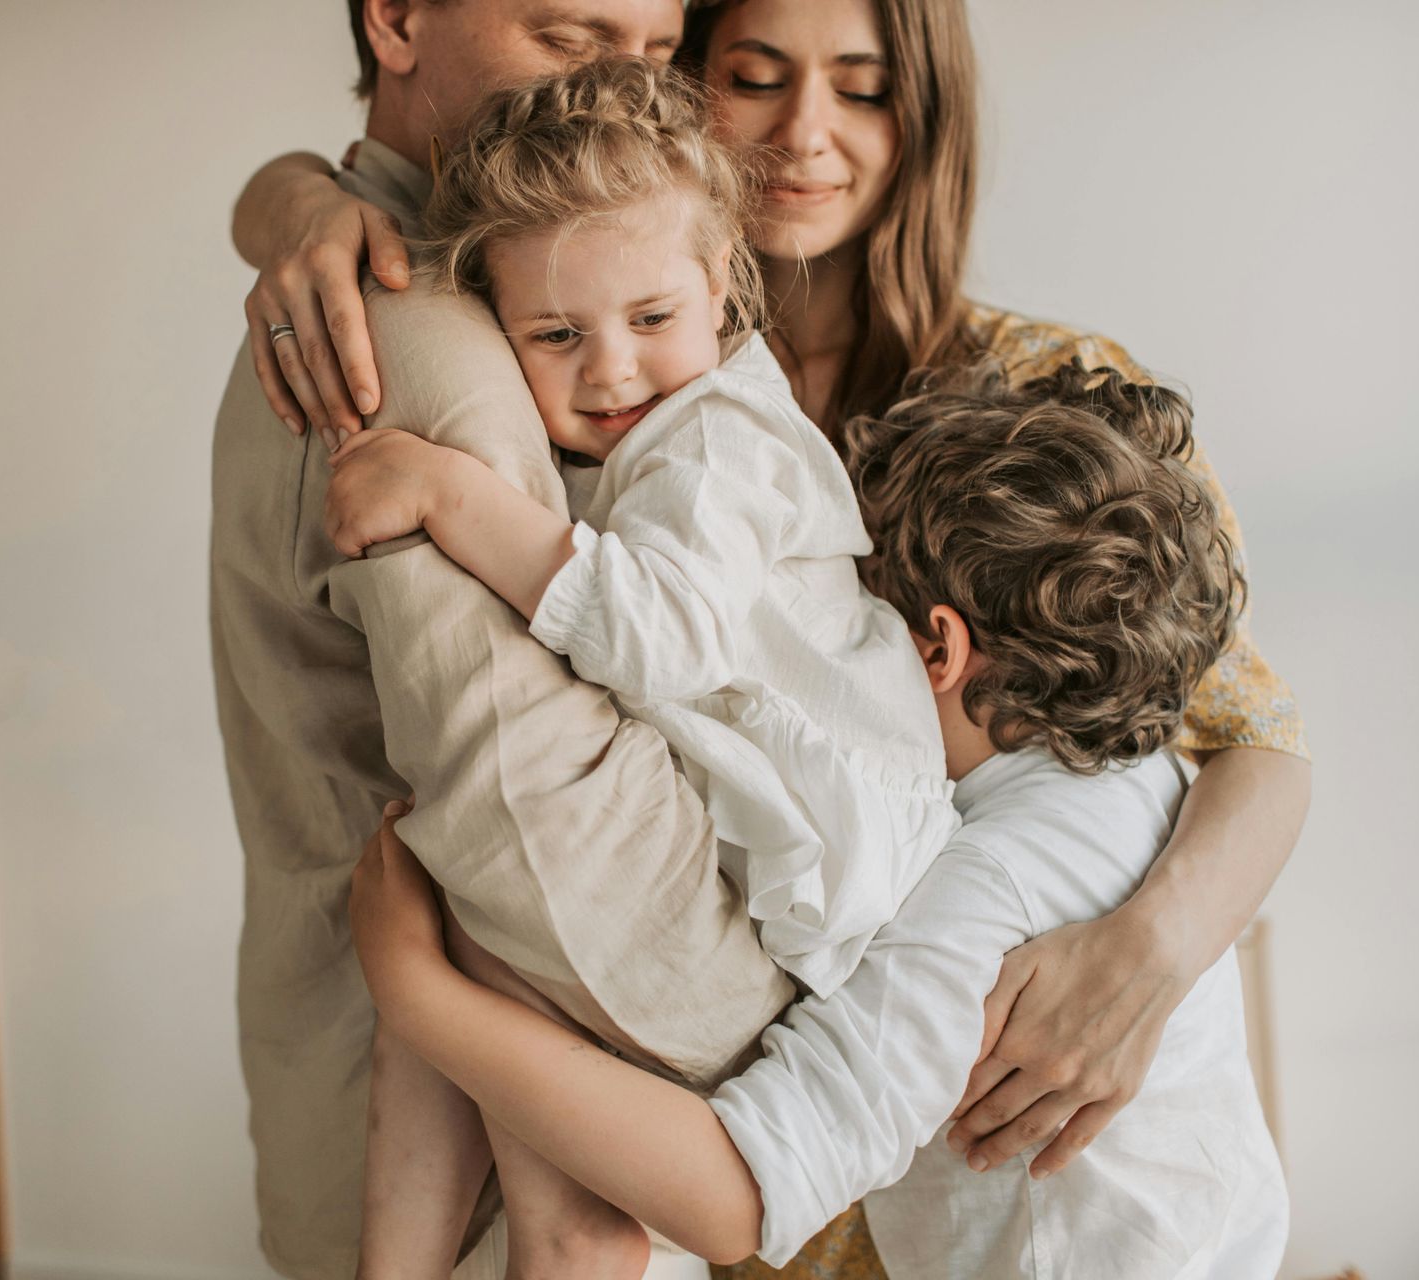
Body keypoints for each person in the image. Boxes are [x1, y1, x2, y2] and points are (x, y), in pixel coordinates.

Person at [234, 0, 1310, 1270]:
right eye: (753, 76)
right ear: (677, 95)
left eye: (861, 87)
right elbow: (385, 191)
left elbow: (1255, 739)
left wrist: (1153, 950)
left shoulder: (1036, 394)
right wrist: (286, 197)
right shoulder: (585, 344)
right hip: (766, 1145)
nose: (806, 134)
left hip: (884, 1118)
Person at [347, 359, 1291, 1277]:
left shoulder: (981, 894)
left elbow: (737, 1197)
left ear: (934, 649)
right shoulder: (1148, 777)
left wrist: (417, 994)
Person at [322, 58, 959, 1278]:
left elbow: (654, 630)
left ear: (721, 283)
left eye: (651, 320)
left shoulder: (723, 442)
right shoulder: (657, 419)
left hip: (821, 888)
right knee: (459, 932)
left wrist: (450, 491)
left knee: (479, 925)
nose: (609, 371)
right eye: (555, 335)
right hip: (757, 844)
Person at [209, 4, 808, 1278]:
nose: (615, 91)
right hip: (488, 1154)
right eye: (567, 34)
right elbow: (542, 828)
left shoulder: (507, 287)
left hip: (420, 1098)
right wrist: (832, 1054)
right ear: (399, 17)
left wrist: (283, 195)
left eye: (653, 55)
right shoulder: (420, 334)